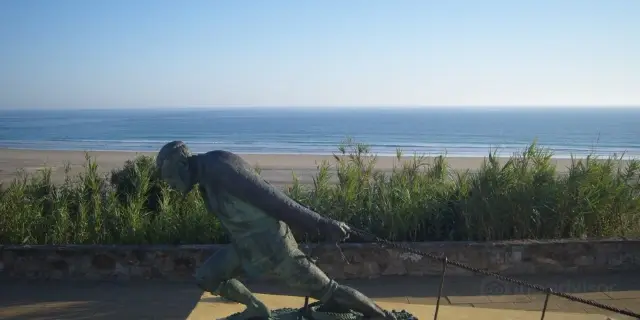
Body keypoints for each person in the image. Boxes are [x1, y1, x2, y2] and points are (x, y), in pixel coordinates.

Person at [156, 141, 395, 320]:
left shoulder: (221, 167)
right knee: (207, 276)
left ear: (183, 164)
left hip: (275, 248)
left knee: (328, 291)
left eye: (170, 178)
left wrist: (322, 224)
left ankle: (379, 315)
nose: (170, 186)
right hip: (244, 247)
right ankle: (257, 309)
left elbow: (275, 201)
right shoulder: (205, 180)